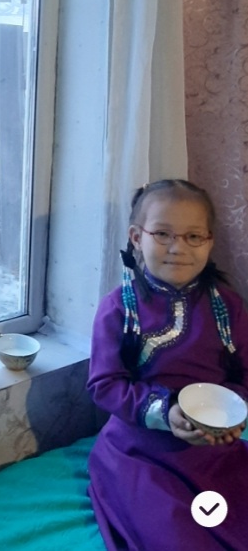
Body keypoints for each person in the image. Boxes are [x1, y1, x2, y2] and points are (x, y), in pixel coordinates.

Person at [87, 179, 248, 550]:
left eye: (194, 236)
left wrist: (231, 413)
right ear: (136, 237)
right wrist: (166, 411)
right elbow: (105, 385)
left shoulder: (229, 307)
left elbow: (244, 375)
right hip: (138, 452)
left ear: (209, 241)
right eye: (162, 234)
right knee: (176, 535)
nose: (178, 248)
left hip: (215, 450)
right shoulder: (118, 308)